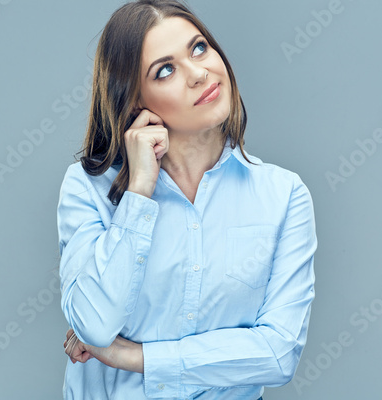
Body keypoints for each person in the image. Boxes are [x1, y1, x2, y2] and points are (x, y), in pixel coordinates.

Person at [57, 0, 317, 399]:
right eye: (165, 70)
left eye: (199, 48)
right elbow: (94, 325)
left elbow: (278, 354)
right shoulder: (88, 189)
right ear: (135, 102)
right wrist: (140, 189)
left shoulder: (284, 196)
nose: (199, 73)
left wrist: (135, 357)